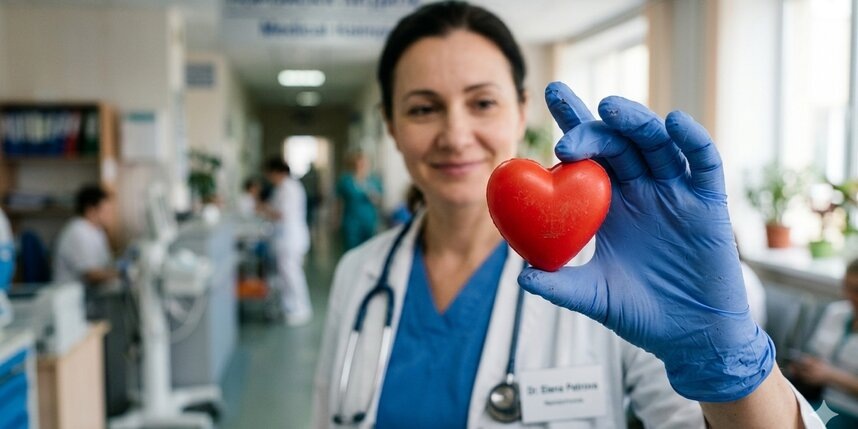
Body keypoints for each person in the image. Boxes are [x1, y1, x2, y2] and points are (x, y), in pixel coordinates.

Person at [314, 2, 822, 428]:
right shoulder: (357, 273)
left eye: (482, 102)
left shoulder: (613, 276)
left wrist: (728, 371)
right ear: (391, 126)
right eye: (423, 108)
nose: (456, 134)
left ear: (519, 110)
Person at [790, 259, 858, 428]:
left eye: (856, 290)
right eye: (846, 287)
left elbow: (828, 372)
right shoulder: (837, 312)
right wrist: (806, 366)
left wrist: (830, 375)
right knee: (773, 414)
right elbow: (816, 353)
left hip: (848, 409)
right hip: (822, 400)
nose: (849, 295)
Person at [260, 158, 313, 326]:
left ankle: (300, 309)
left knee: (291, 274)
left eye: (270, 174)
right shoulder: (284, 187)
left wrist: (262, 208)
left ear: (278, 172)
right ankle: (290, 307)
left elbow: (281, 214)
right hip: (286, 237)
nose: (269, 177)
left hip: (291, 237)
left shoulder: (289, 188)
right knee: (286, 274)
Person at [53, 184, 118, 286]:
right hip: (71, 295)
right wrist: (122, 273)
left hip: (87, 293)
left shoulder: (97, 230)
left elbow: (105, 265)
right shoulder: (77, 231)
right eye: (106, 211)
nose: (110, 215)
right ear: (90, 210)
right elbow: (91, 275)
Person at [336, 151, 383, 250]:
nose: (362, 166)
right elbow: (339, 201)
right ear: (354, 164)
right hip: (351, 222)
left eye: (364, 163)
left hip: (369, 221)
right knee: (351, 250)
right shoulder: (346, 181)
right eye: (359, 163)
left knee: (368, 249)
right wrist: (336, 219)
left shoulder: (374, 181)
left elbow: (379, 201)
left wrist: (373, 196)